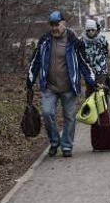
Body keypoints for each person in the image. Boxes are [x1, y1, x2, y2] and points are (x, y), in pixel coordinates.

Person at [27, 11, 97, 158]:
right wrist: (30, 80)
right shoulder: (44, 41)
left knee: (70, 117)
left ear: (64, 24)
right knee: (47, 113)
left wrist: (92, 81)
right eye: (51, 25)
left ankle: (66, 146)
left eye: (56, 24)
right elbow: (36, 62)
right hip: (50, 87)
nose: (54, 28)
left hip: (69, 87)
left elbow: (84, 64)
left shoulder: (74, 42)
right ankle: (54, 142)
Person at [81, 19, 110, 97]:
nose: (90, 32)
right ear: (86, 30)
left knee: (101, 91)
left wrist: (103, 63)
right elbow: (80, 55)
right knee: (90, 91)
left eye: (92, 30)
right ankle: (90, 108)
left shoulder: (102, 38)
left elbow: (106, 51)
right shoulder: (82, 40)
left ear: (96, 30)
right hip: (89, 70)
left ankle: (104, 108)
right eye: (88, 30)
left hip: (101, 69)